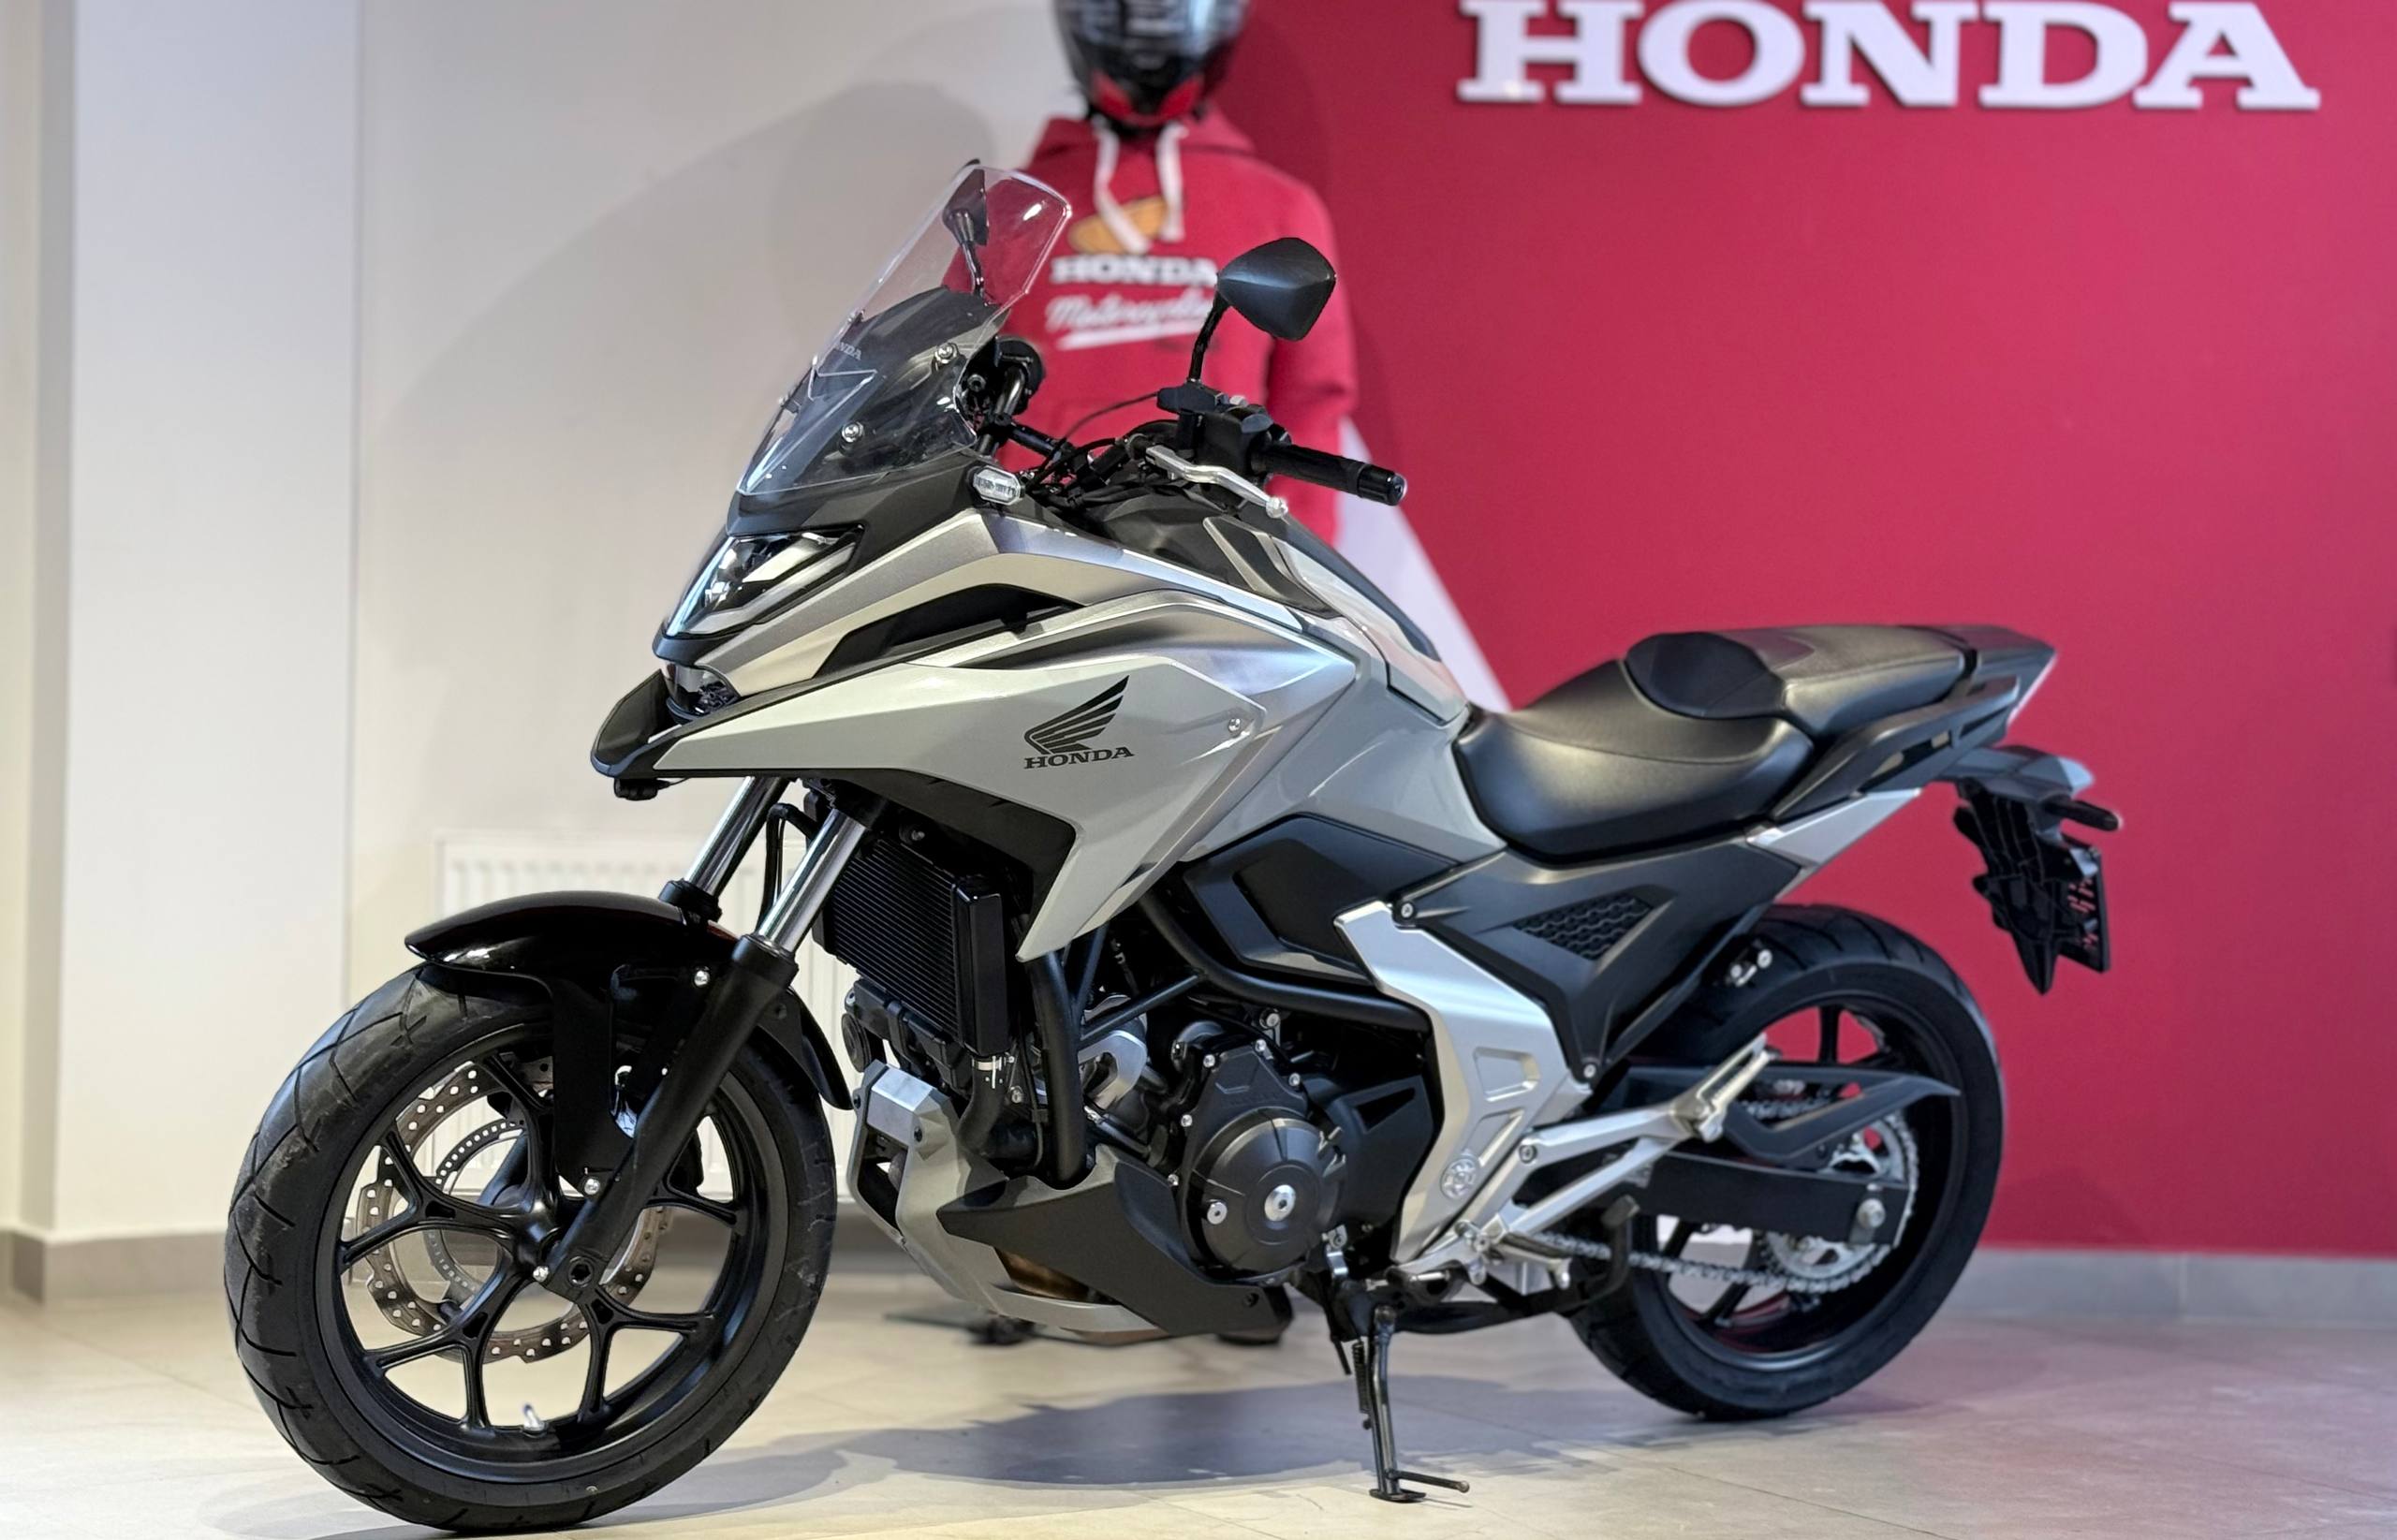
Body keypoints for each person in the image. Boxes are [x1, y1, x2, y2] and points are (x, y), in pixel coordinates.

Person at [1009, 0, 1358, 539]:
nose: (1145, 36)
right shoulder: (1015, 205)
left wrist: (1293, 553)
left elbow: (1311, 404)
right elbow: (957, 386)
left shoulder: (1279, 207)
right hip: (1032, 539)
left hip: (1210, 550)